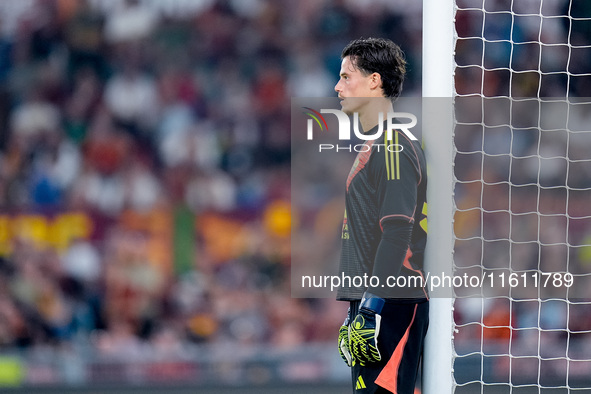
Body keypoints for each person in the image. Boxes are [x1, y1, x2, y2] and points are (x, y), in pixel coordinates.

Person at [334, 37, 429, 394]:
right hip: (377, 301)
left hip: (392, 302)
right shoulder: (377, 145)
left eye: (346, 77)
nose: (337, 87)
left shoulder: (393, 146)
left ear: (374, 81)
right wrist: (355, 308)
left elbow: (396, 234)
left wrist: (372, 307)